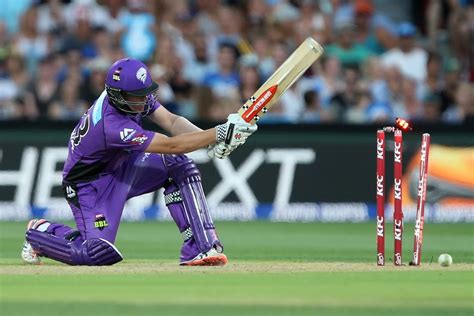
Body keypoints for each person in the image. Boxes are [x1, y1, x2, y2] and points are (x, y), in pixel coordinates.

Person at [21, 58, 257, 266]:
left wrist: (211, 139)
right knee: (94, 252)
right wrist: (218, 133)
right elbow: (171, 143)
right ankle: (39, 233)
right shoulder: (112, 125)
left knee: (178, 164)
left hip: (123, 166)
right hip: (89, 186)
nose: (145, 100)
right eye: (138, 96)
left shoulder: (133, 93)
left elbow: (172, 121)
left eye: (146, 93)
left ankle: (200, 247)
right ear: (118, 96)